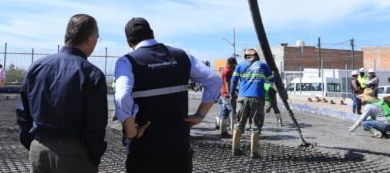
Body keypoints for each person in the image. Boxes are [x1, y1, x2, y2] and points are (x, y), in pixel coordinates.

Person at [114, 17, 221, 173]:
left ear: (129, 43)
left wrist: (131, 132)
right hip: (179, 147)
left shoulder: (127, 61)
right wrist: (200, 115)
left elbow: (122, 96)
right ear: (152, 34)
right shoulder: (182, 55)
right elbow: (214, 80)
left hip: (145, 150)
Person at [16, 14, 107, 173]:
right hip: (76, 155)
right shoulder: (92, 74)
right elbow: (96, 125)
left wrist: (32, 144)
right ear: (91, 39)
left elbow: (22, 113)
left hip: (39, 150)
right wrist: (93, 155)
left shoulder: (36, 67)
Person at [230, 48, 275, 158]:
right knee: (255, 126)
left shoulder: (240, 66)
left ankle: (235, 149)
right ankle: (253, 153)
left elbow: (233, 81)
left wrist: (232, 94)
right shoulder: (262, 65)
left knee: (239, 124)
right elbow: (272, 79)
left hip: (242, 98)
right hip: (257, 98)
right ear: (257, 56)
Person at [215, 57, 237, 138]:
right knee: (230, 112)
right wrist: (230, 93)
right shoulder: (227, 71)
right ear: (231, 63)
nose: (235, 67)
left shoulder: (224, 69)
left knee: (224, 112)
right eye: (234, 65)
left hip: (223, 94)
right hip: (226, 95)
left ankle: (221, 127)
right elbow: (227, 82)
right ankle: (224, 132)